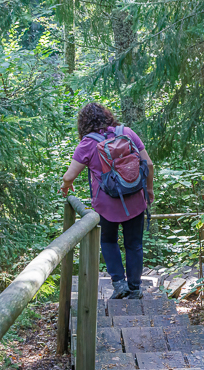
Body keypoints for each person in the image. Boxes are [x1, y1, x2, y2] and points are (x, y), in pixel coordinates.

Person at [60, 103, 154, 299]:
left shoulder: (87, 143)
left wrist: (66, 187)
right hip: (135, 199)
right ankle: (135, 288)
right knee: (134, 244)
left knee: (109, 241)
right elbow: (149, 164)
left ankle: (119, 285)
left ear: (83, 123)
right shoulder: (126, 132)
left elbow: (69, 176)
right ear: (107, 116)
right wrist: (149, 191)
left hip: (107, 204)